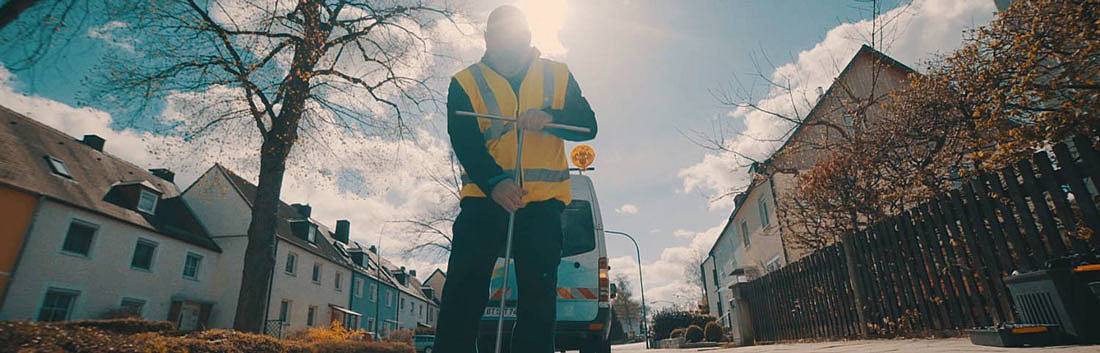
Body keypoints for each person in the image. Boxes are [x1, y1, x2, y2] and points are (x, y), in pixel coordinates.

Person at [435, 5, 598, 353]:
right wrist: (496, 182)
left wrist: (550, 116)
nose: (510, 42)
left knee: (538, 301)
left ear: (527, 36)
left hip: (542, 206)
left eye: (516, 35)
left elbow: (588, 125)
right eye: (501, 35)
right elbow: (465, 141)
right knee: (462, 289)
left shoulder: (557, 74)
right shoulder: (465, 82)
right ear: (488, 39)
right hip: (484, 201)